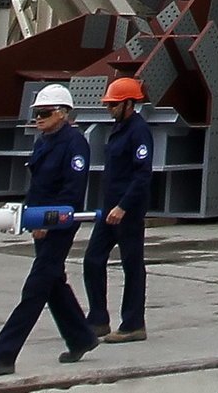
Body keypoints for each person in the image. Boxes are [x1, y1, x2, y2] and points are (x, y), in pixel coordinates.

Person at [0, 85, 101, 375]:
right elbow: (37, 185)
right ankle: (81, 337)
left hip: (58, 225)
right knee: (53, 282)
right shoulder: (43, 141)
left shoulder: (75, 144)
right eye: (36, 113)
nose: (39, 119)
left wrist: (47, 222)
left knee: (35, 289)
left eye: (44, 113)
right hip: (39, 222)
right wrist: (30, 219)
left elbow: (72, 192)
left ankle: (3, 356)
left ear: (63, 113)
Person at [83, 75, 153, 343]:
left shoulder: (139, 131)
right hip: (110, 209)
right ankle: (98, 318)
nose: (109, 109)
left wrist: (124, 207)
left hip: (127, 211)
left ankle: (134, 324)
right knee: (92, 259)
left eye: (113, 105)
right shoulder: (119, 128)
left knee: (132, 265)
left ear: (128, 104)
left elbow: (142, 175)